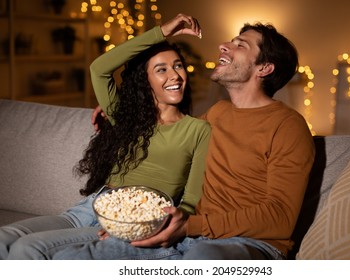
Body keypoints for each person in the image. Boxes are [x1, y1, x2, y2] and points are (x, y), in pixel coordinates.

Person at [51, 13, 315, 260]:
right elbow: (166, 129)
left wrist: (191, 225)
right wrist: (121, 110)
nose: (224, 46)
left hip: (247, 243)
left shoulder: (289, 126)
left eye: (240, 45)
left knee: (201, 260)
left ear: (264, 68)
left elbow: (280, 217)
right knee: (71, 259)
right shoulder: (217, 114)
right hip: (190, 236)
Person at [0, 15, 210, 259]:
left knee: (28, 248)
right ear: (145, 80)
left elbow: (190, 201)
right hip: (92, 206)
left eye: (178, 66)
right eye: (161, 69)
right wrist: (162, 31)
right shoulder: (127, 117)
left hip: (135, 219)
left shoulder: (198, 130)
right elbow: (99, 69)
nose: (174, 75)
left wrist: (144, 228)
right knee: (4, 237)